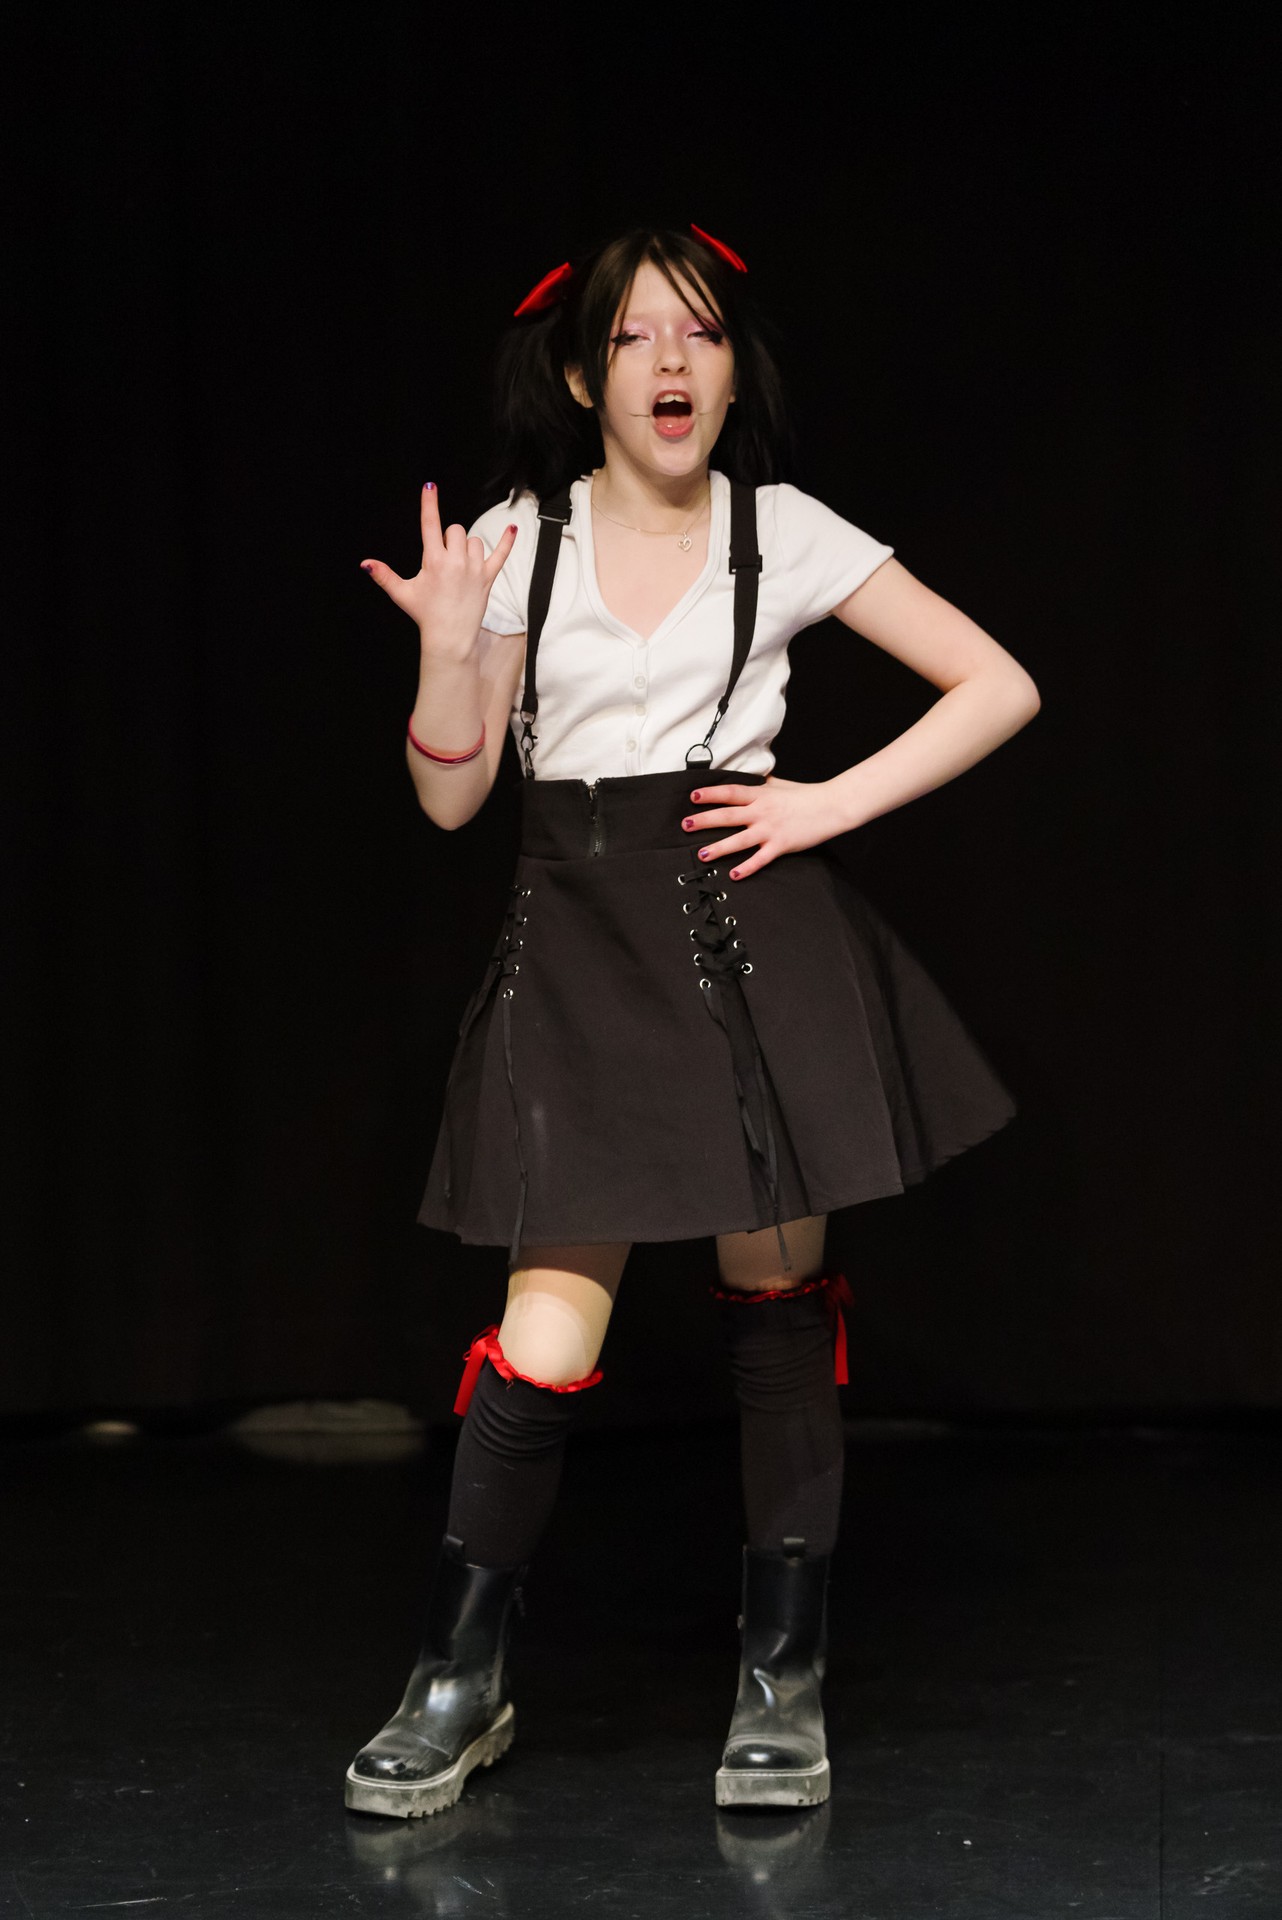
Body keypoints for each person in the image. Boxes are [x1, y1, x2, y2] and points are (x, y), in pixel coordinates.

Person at [345, 222, 1039, 1820]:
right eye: (637, 336)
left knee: (774, 1304)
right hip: (576, 939)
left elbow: (995, 683)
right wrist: (449, 651)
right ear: (580, 376)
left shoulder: (777, 531)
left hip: (745, 943)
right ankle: (456, 1681)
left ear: (731, 371)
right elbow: (450, 800)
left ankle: (780, 1679)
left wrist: (821, 804)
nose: (672, 360)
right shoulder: (516, 543)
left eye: (702, 333)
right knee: (543, 1336)